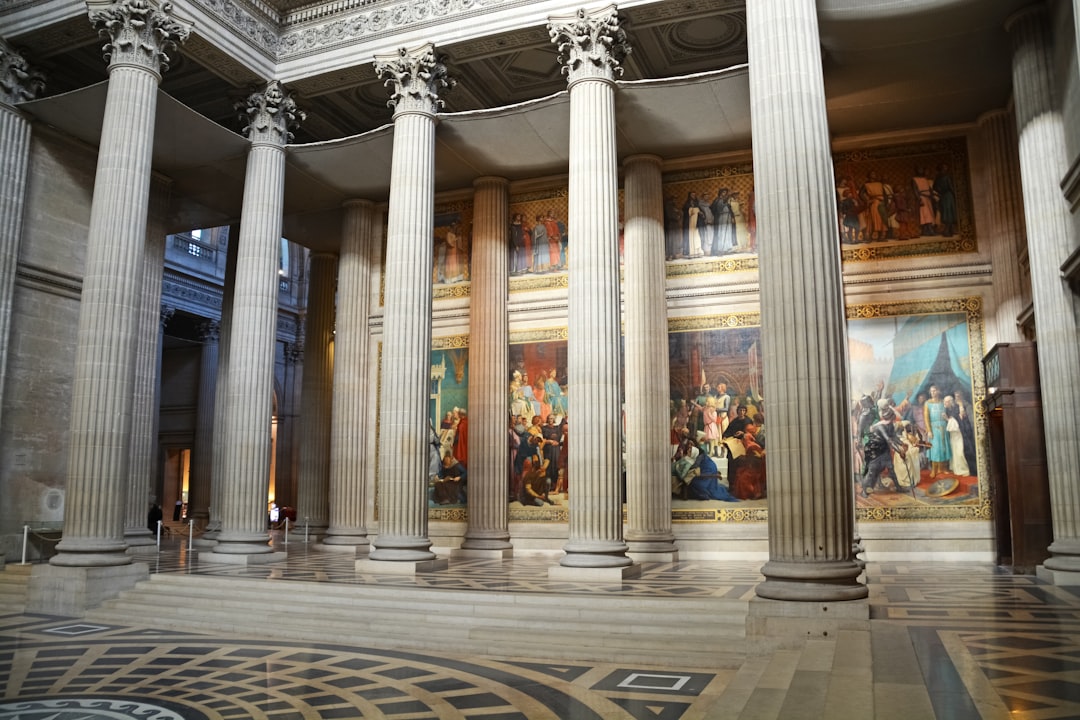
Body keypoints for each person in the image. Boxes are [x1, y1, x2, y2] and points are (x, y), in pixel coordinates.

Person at [859, 406, 907, 497]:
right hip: (874, 450)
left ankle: (899, 488)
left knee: (891, 468)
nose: (893, 420)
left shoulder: (890, 425)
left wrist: (902, 444)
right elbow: (889, 440)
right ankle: (865, 491)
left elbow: (893, 437)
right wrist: (899, 451)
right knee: (872, 471)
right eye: (892, 418)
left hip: (884, 448)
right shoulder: (881, 426)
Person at [923, 384, 951, 478]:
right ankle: (934, 470)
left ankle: (943, 468)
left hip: (943, 427)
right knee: (935, 449)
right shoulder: (927, 403)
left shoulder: (943, 402)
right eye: (931, 391)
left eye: (934, 390)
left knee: (944, 448)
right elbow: (926, 418)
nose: (933, 393)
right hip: (934, 428)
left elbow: (949, 412)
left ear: (939, 391)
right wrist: (929, 430)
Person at [943, 395, 970, 476]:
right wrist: (946, 419)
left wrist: (949, 419)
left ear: (950, 401)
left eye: (946, 402)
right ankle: (956, 469)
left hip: (959, 433)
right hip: (953, 434)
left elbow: (960, 420)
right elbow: (951, 422)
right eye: (944, 402)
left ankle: (963, 469)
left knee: (960, 451)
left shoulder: (958, 407)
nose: (945, 403)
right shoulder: (948, 410)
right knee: (954, 451)